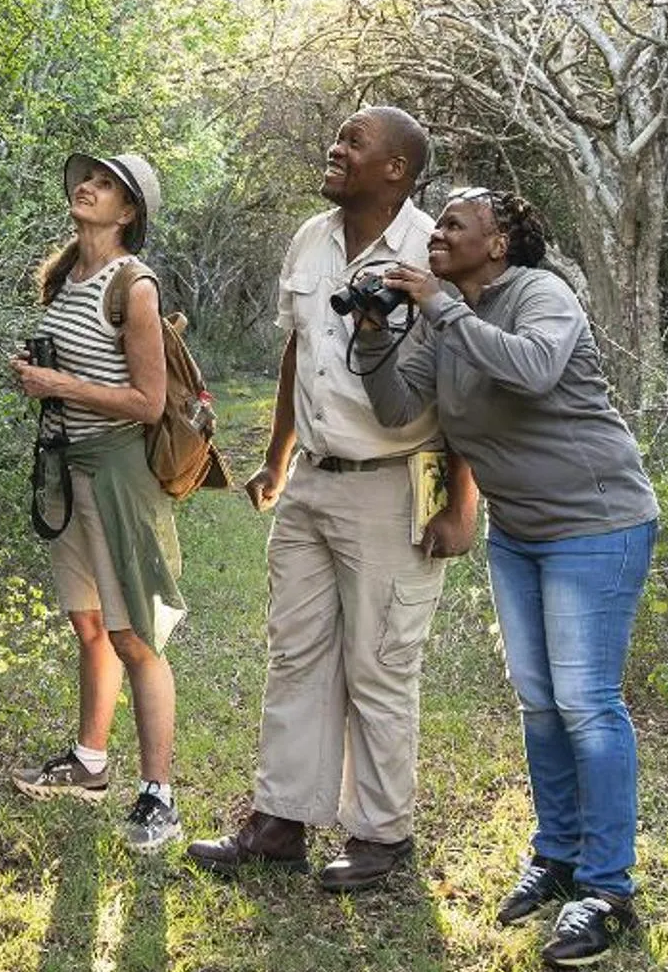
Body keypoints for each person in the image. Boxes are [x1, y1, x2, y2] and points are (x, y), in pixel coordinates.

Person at [361, 185, 659, 968]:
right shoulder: (441, 315)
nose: (437, 234)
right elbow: (396, 406)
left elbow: (531, 370)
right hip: (518, 531)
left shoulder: (540, 293)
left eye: (454, 224)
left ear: (496, 244)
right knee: (538, 705)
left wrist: (442, 309)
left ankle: (606, 891)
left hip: (596, 525)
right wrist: (370, 336)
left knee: (586, 705)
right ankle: (557, 859)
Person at [187, 106, 473, 893]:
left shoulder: (434, 248)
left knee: (379, 661)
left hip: (395, 480)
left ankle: (381, 835)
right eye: (336, 136)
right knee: (295, 652)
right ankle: (280, 821)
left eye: (353, 141)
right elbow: (296, 350)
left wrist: (460, 501)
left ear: (396, 169)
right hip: (313, 479)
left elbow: (464, 388)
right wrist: (276, 458)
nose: (334, 148)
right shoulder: (311, 237)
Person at [8, 151, 188, 853]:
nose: (87, 187)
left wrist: (56, 387)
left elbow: (146, 403)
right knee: (89, 626)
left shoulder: (132, 285)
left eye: (106, 185)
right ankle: (88, 764)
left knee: (134, 637)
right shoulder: (65, 277)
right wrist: (38, 375)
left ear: (130, 213)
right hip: (67, 464)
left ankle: (158, 797)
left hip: (118, 472)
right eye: (86, 179)